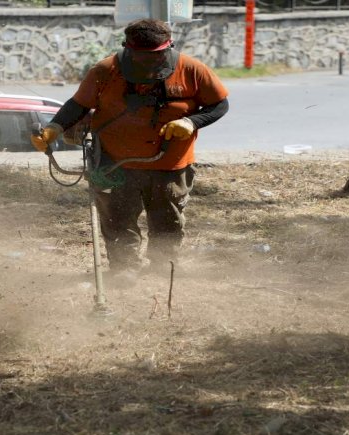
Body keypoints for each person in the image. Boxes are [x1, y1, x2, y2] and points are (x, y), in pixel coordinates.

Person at [31, 18, 229, 275]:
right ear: (127, 47)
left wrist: (191, 122)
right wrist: (54, 128)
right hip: (114, 163)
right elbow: (78, 105)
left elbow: (219, 105)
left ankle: (163, 269)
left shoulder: (192, 69)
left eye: (156, 55)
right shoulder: (105, 71)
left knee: (167, 221)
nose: (148, 61)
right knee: (118, 219)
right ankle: (124, 269)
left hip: (170, 163)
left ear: (169, 46)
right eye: (140, 55)